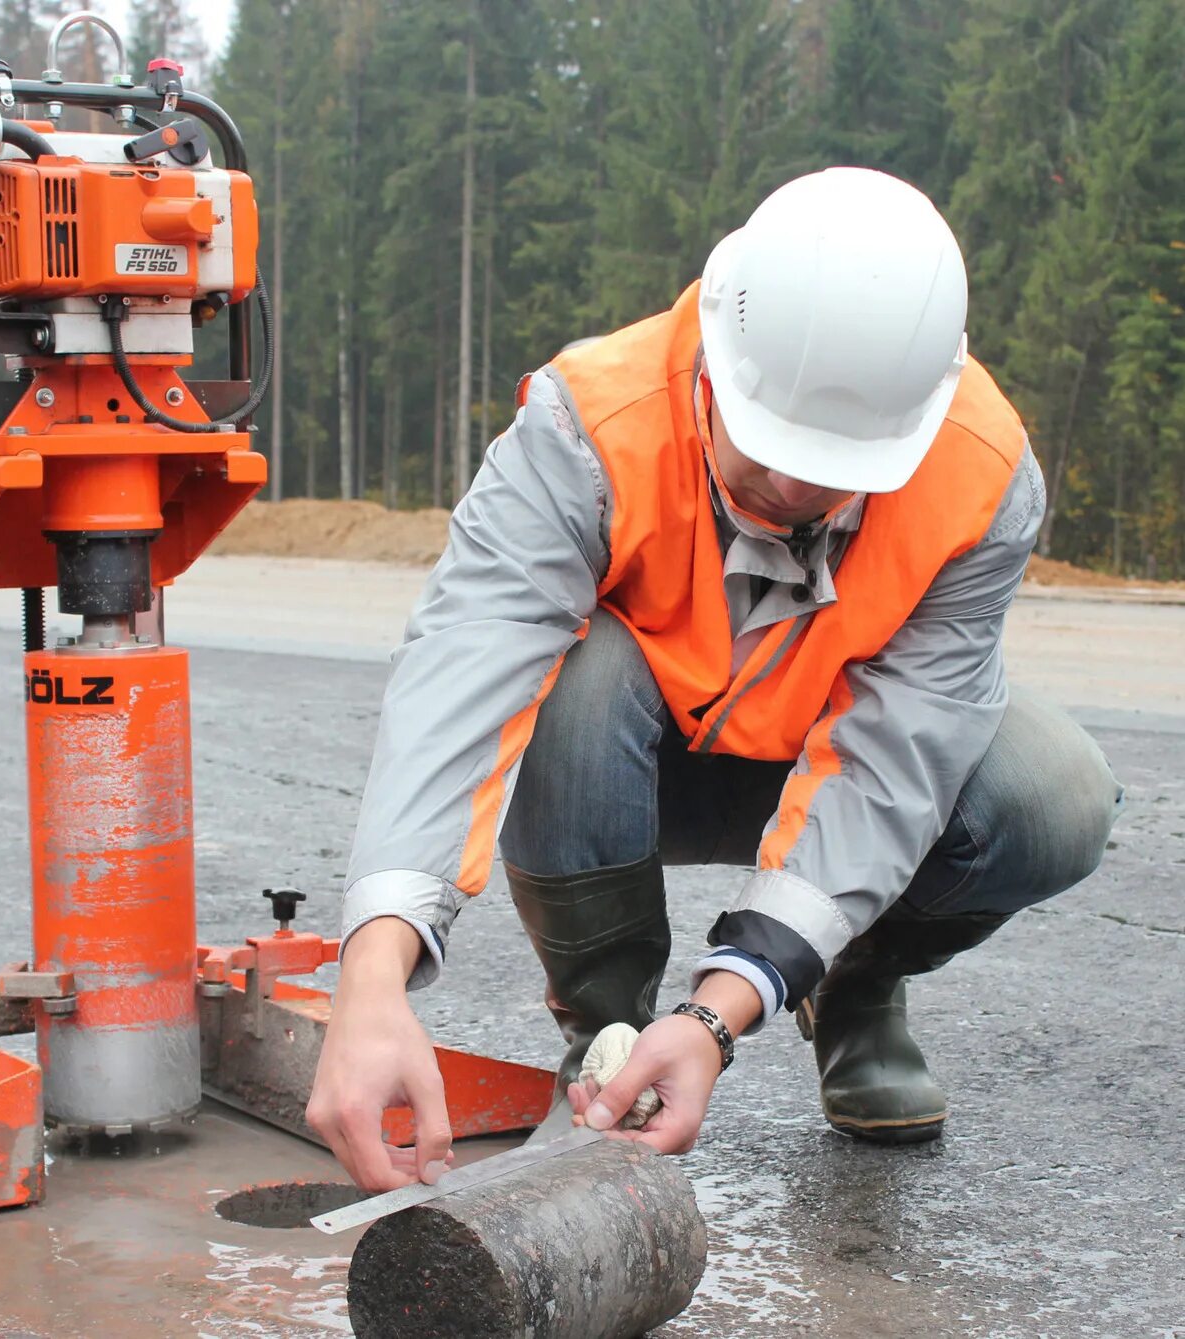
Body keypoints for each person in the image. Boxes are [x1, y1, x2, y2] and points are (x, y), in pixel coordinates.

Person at [306, 167, 1123, 1193]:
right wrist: (371, 976)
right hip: (632, 766)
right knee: (573, 675)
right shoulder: (587, 425)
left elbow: (897, 759)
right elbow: (463, 682)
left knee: (1055, 798)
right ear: (712, 367)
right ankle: (605, 1043)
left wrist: (717, 1010)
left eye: (834, 468)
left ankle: (850, 977)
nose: (792, 490)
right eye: (769, 452)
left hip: (829, 765)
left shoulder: (979, 476)